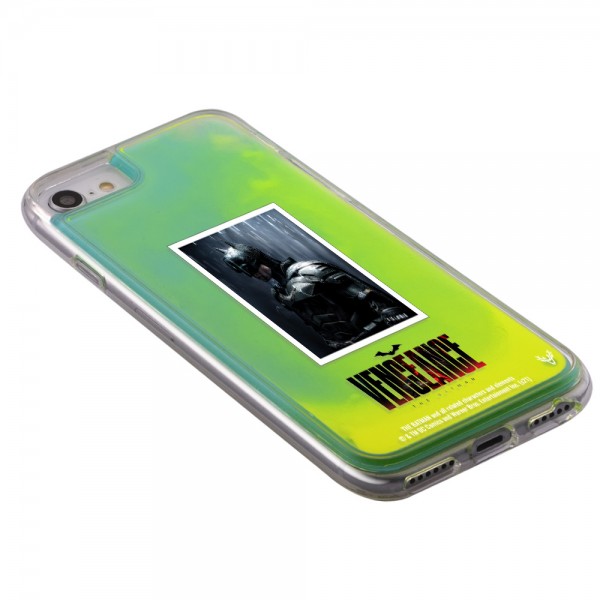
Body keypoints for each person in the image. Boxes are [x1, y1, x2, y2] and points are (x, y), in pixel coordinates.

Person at [219, 243, 414, 350]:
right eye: (249, 273)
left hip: (380, 333)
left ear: (260, 259)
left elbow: (367, 296)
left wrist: (394, 316)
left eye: (254, 268)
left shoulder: (309, 271)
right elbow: (314, 322)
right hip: (349, 346)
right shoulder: (280, 294)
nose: (256, 275)